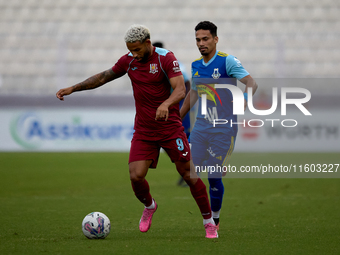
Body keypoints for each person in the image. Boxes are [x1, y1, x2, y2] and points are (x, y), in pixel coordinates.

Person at [56, 24, 218, 238]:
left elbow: (180, 89)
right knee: (136, 176)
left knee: (188, 174)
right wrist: (73, 88)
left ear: (148, 43)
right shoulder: (129, 60)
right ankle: (150, 206)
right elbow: (104, 76)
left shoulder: (166, 58)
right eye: (130, 50)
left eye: (137, 49)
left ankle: (208, 222)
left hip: (170, 128)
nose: (133, 54)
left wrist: (165, 104)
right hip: (144, 130)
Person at [180, 21, 258, 230]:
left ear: (215, 39)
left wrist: (243, 100)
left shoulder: (227, 61)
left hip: (224, 127)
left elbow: (252, 84)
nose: (201, 43)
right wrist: (178, 117)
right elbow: (194, 93)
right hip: (201, 126)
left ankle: (214, 219)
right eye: (198, 39)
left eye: (205, 39)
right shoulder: (196, 65)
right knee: (190, 171)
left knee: (213, 176)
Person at [153, 41, 191, 187]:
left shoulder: (173, 63)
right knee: (164, 141)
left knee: (182, 139)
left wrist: (180, 105)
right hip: (161, 107)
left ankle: (190, 171)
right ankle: (185, 170)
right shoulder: (149, 66)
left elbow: (185, 84)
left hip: (176, 106)